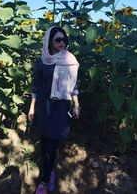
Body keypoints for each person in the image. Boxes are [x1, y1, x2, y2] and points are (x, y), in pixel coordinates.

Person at [28, 26, 80, 194]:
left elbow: (74, 86)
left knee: (51, 144)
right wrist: (32, 107)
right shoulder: (43, 60)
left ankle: (43, 181)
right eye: (58, 40)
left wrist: (77, 105)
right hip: (43, 106)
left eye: (64, 39)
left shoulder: (69, 60)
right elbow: (36, 86)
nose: (62, 43)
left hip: (60, 107)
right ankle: (49, 172)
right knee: (44, 142)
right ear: (49, 41)